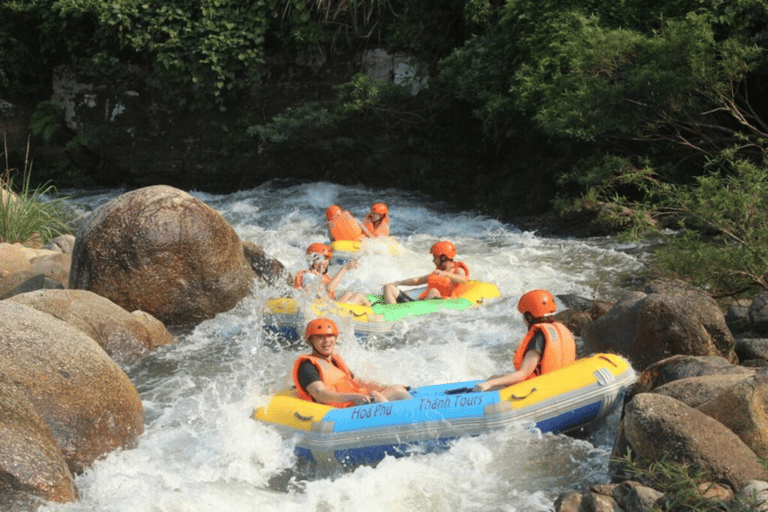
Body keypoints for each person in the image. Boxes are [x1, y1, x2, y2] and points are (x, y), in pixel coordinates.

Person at [473, 289, 576, 392]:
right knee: (495, 377)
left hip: (540, 389)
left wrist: (489, 384)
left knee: (492, 381)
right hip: (562, 382)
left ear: (529, 317)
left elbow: (523, 374)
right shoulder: (562, 329)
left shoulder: (539, 338)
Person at [293, 318, 412, 407]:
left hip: (355, 402)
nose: (326, 341)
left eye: (330, 336)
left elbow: (357, 381)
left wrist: (385, 387)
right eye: (320, 337)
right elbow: (319, 393)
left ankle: (417, 414)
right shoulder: (307, 366)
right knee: (376, 396)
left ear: (335, 338)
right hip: (341, 411)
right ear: (311, 340)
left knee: (396, 389)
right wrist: (354, 396)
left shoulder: (335, 360)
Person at [382, 240, 469, 304]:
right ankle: (393, 311)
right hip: (418, 302)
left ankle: (406, 312)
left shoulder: (457, 270)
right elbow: (418, 280)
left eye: (435, 257)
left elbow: (464, 279)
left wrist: (447, 274)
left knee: (433, 291)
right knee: (388, 287)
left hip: (439, 302)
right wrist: (398, 283)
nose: (433, 261)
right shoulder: (438, 272)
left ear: (443, 258)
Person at [294, 243, 371, 306]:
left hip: (326, 306)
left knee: (349, 293)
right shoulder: (308, 275)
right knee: (359, 296)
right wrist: (344, 269)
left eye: (326, 259)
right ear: (310, 260)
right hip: (319, 309)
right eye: (319, 259)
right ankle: (376, 317)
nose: (324, 262)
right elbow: (328, 289)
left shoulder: (322, 276)